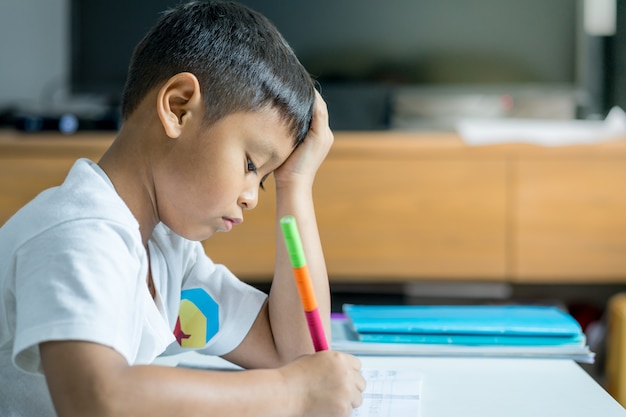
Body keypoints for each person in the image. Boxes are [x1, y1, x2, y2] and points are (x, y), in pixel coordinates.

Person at [0, 1, 365, 416]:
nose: (252, 197)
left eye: (263, 179)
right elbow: (95, 397)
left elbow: (294, 352)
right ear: (178, 108)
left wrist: (295, 184)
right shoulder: (77, 234)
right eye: (250, 165)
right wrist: (289, 393)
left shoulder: (170, 258)